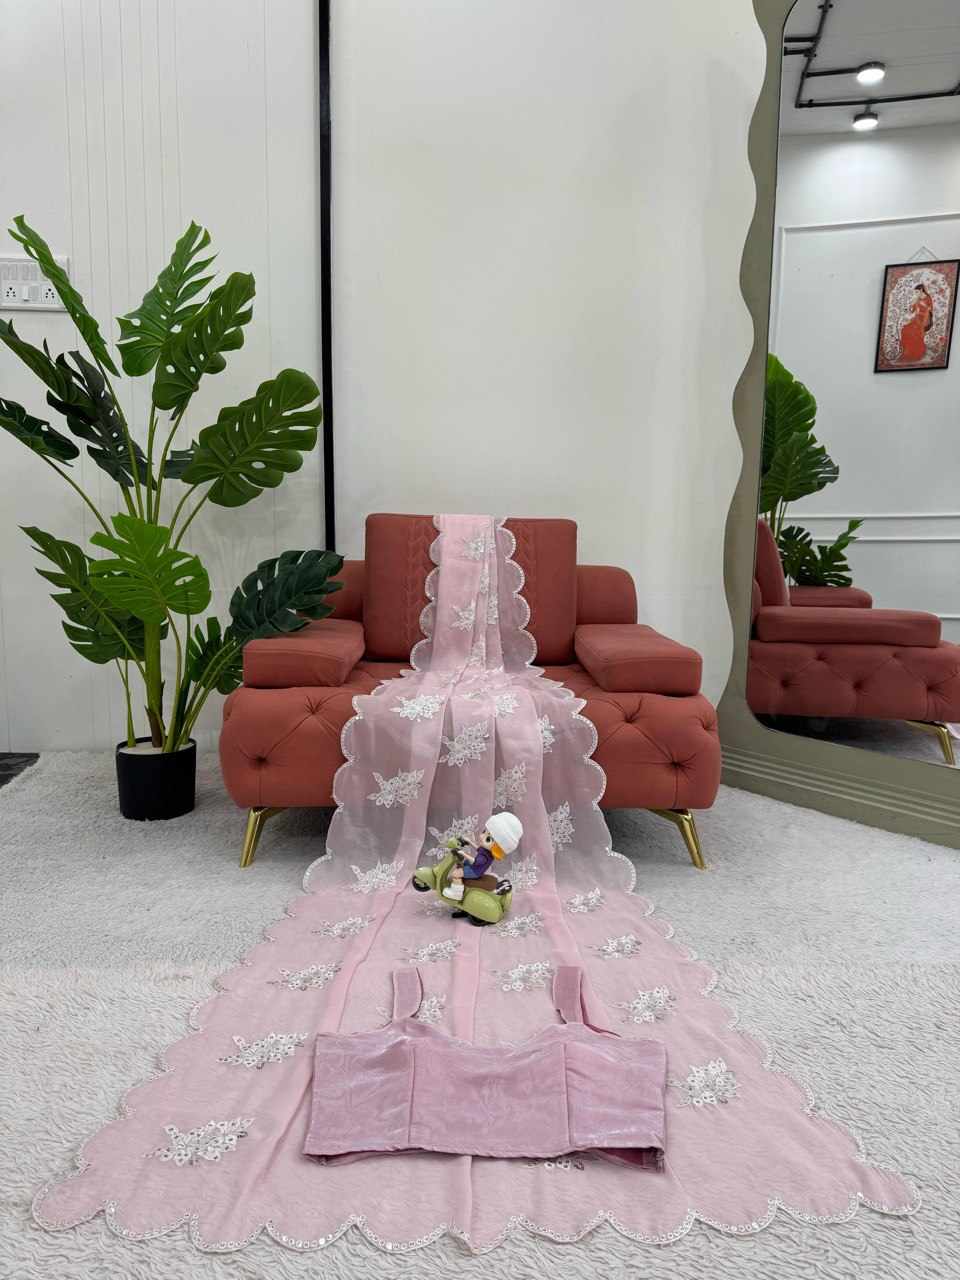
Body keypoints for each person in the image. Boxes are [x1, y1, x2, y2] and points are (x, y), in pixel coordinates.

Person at [442, 811, 522, 901]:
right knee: (462, 864)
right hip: (475, 869)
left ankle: (456, 893)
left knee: (455, 874)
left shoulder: (484, 857)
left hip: (474, 872)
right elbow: (478, 849)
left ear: (497, 847)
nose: (482, 837)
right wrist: (469, 841)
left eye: (488, 839)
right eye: (484, 832)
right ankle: (457, 885)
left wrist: (463, 853)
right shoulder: (486, 851)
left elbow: (475, 861)